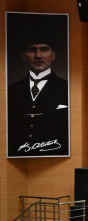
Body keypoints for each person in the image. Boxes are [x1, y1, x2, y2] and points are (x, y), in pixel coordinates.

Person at [6, 25, 70, 157]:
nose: (38, 55)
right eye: (32, 49)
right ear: (23, 56)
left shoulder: (67, 88)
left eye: (44, 49)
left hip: (55, 153)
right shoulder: (10, 91)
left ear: (53, 55)